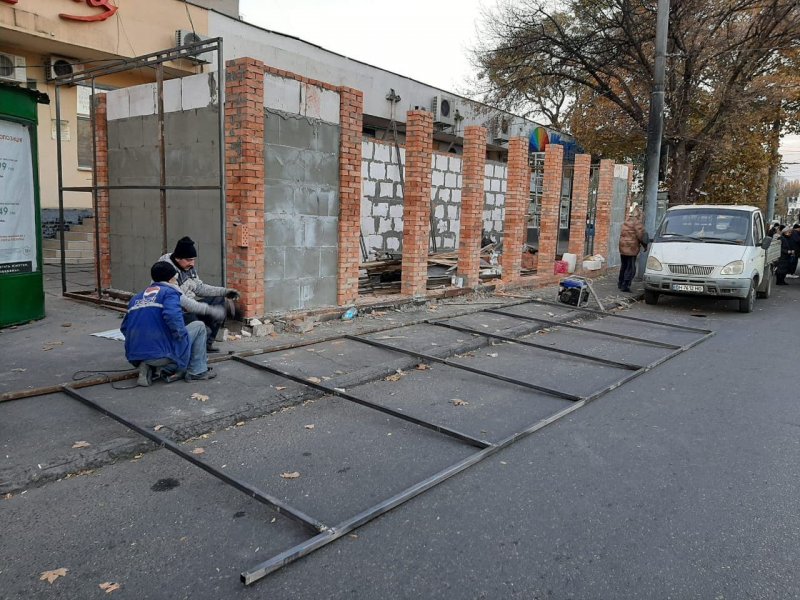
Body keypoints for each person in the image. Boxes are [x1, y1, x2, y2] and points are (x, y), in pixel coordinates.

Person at [121, 261, 216, 385]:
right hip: (160, 354)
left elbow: (124, 328)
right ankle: (197, 371)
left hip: (135, 355)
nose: (176, 283)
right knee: (199, 327)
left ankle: (149, 365)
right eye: (176, 280)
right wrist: (183, 343)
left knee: (167, 344)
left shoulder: (136, 298)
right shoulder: (169, 293)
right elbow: (173, 318)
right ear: (171, 279)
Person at [159, 236, 239, 353]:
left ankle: (206, 344)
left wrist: (225, 291)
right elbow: (185, 303)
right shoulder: (167, 271)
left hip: (191, 306)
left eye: (193, 259)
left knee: (219, 300)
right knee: (202, 328)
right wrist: (213, 311)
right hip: (178, 311)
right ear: (178, 258)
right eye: (189, 260)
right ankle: (194, 351)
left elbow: (199, 288)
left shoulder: (188, 267)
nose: (192, 263)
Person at [617, 203, 648, 292]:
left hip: (623, 246)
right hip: (631, 248)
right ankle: (625, 285)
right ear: (639, 215)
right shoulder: (637, 222)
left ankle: (620, 283)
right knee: (631, 268)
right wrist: (645, 246)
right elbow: (641, 236)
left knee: (624, 266)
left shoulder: (627, 221)